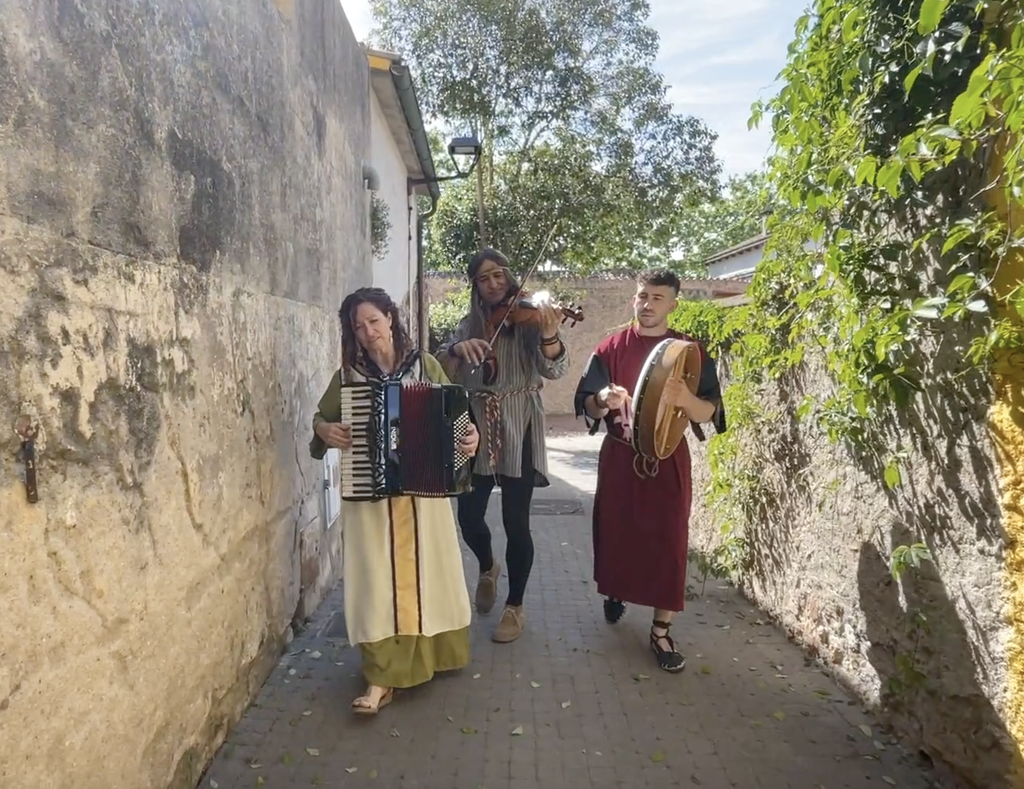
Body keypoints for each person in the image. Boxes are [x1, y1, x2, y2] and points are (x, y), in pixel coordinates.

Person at [309, 287, 481, 715]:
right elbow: (321, 419)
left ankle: (434, 656)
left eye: (374, 321)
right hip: (370, 499)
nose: (368, 332)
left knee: (431, 574)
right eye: (358, 326)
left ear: (390, 318)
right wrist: (325, 430)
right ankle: (381, 676)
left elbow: (457, 414)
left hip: (423, 495)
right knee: (375, 582)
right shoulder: (349, 378)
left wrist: (470, 438)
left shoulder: (425, 365)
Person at [573, 269, 726, 672]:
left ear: (673, 304)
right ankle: (616, 592)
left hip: (668, 458)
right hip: (620, 457)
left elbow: (709, 412)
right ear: (634, 299)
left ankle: (661, 632)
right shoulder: (610, 348)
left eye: (658, 298)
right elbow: (586, 404)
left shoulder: (690, 352)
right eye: (643, 295)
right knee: (617, 536)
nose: (648, 304)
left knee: (669, 543)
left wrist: (686, 399)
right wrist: (602, 399)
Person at [437, 248, 570, 643]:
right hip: (474, 425)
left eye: (498, 275)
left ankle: (515, 606)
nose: (493, 284)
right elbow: (440, 371)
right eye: (484, 278)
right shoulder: (467, 325)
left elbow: (555, 369)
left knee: (516, 522)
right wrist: (455, 351)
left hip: (520, 423)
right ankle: (488, 565)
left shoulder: (530, 321)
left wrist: (549, 333)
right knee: (468, 517)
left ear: (509, 277)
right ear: (474, 286)